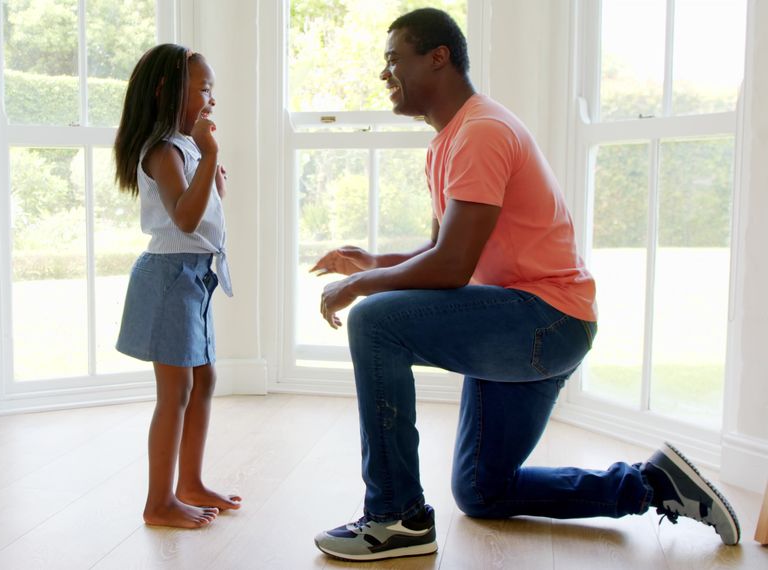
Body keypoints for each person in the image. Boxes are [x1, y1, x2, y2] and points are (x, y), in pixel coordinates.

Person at [310, 7, 740, 561]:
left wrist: (362, 286)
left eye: (393, 60)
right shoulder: (449, 141)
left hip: (544, 321)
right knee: (483, 492)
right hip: (522, 318)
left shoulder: (481, 133)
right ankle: (650, 485)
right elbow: (443, 248)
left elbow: (450, 269)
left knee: (374, 321)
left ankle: (396, 516)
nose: (383, 74)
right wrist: (373, 260)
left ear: (438, 57)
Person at [113, 43, 241, 529]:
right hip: (170, 277)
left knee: (204, 380)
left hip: (195, 276)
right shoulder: (162, 150)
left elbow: (207, 206)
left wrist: (209, 166)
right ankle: (158, 501)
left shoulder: (184, 146)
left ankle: (189, 483)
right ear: (168, 92)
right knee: (176, 390)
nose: (212, 100)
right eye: (204, 89)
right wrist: (209, 154)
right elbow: (185, 218)